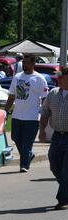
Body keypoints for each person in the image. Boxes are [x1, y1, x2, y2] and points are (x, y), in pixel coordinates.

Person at [5, 54, 49, 173]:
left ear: (33, 64)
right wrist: (5, 110)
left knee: (26, 142)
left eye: (27, 62)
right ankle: (28, 155)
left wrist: (45, 113)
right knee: (15, 137)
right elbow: (12, 95)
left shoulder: (39, 79)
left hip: (32, 117)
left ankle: (24, 164)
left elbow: (45, 99)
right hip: (17, 115)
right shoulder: (17, 77)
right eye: (23, 62)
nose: (24, 64)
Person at [38, 66, 68, 210]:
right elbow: (45, 113)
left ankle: (63, 200)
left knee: (66, 170)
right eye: (59, 77)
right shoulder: (53, 93)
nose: (59, 79)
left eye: (62, 76)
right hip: (57, 136)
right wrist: (42, 130)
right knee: (54, 165)